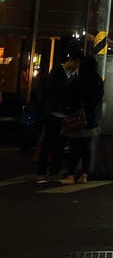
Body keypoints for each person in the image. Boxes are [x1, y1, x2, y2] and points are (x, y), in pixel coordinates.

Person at [35, 48, 81, 183]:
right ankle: (41, 173)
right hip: (53, 113)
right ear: (71, 61)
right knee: (48, 143)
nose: (76, 67)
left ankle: (55, 171)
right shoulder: (56, 72)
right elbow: (52, 90)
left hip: (64, 115)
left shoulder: (72, 75)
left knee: (59, 145)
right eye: (76, 64)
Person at [60, 54, 103, 184]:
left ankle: (71, 175)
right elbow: (98, 99)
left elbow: (68, 96)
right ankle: (84, 174)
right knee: (86, 147)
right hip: (91, 119)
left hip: (77, 118)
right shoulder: (98, 81)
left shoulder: (78, 80)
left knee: (74, 147)